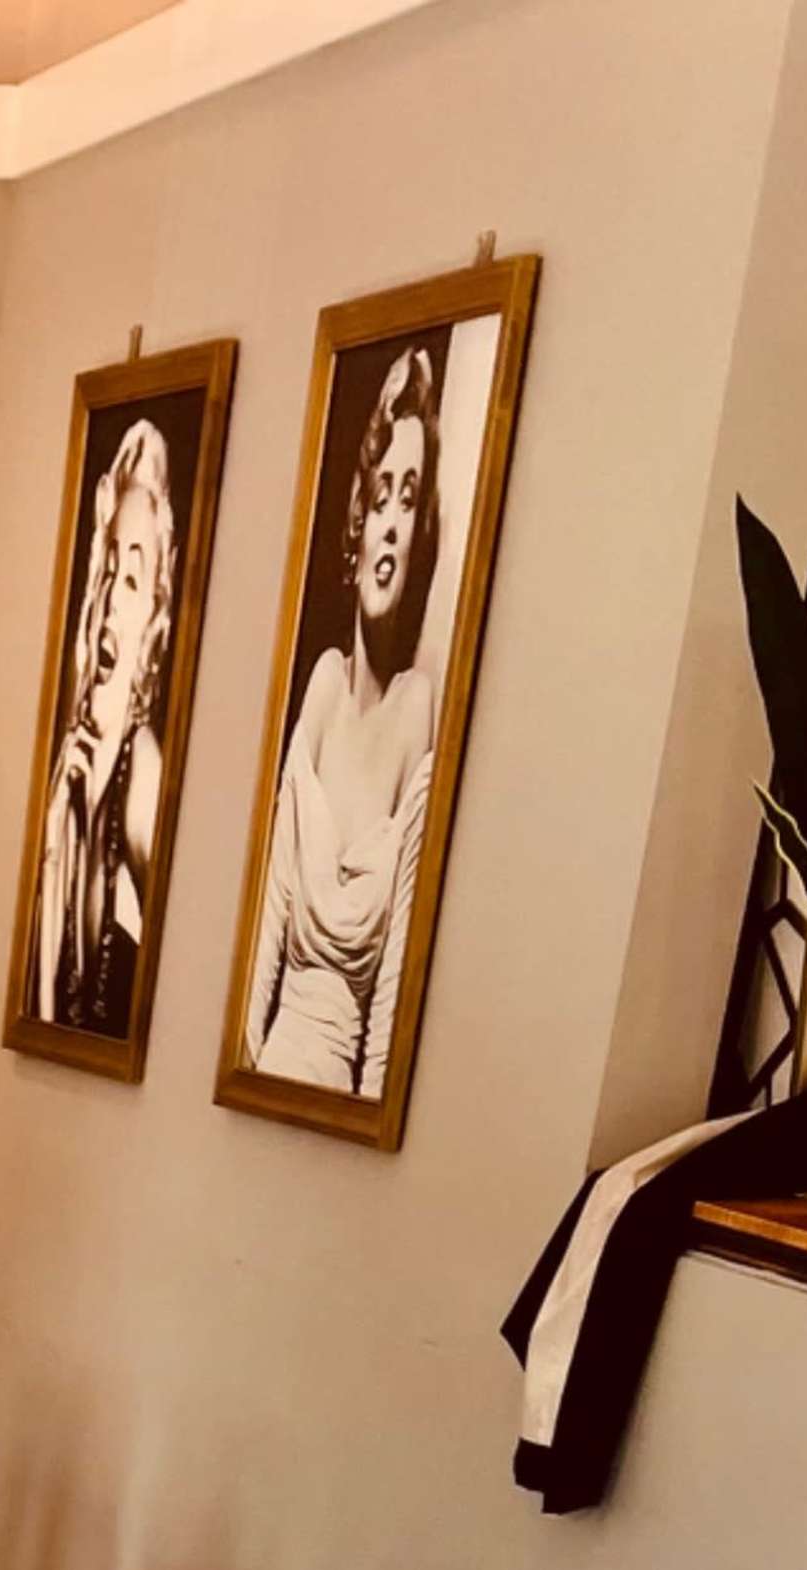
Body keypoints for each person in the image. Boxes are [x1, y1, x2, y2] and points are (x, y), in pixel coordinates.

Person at [240, 341, 446, 1099]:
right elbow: (265, 925)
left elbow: (394, 983)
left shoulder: (417, 705)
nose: (392, 520)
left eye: (411, 497)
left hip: (338, 1093)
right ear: (356, 527)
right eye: (383, 493)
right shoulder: (324, 684)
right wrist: (243, 1069)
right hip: (266, 1069)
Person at [26, 413, 181, 1039]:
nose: (116, 595)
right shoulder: (70, 762)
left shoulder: (142, 774)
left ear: (155, 619)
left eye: (136, 576)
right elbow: (36, 1017)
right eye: (112, 565)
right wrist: (58, 847)